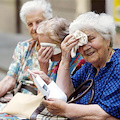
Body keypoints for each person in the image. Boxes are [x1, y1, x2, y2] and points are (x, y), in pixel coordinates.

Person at [34, 12, 120, 120]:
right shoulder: (89, 67)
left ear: (107, 40)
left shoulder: (117, 65)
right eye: (81, 43)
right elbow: (65, 94)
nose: (85, 47)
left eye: (91, 39)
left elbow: (105, 113)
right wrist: (65, 58)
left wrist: (65, 109)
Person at [0, 0, 53, 97]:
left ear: (49, 21)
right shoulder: (23, 47)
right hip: (18, 97)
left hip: (40, 101)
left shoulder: (57, 51)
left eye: (39, 22)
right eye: (30, 24)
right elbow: (10, 79)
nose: (34, 28)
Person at [36, 17, 84, 82]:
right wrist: (43, 69)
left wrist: (43, 71)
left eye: (47, 48)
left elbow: (62, 91)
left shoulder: (81, 63)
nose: (43, 51)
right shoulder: (56, 61)